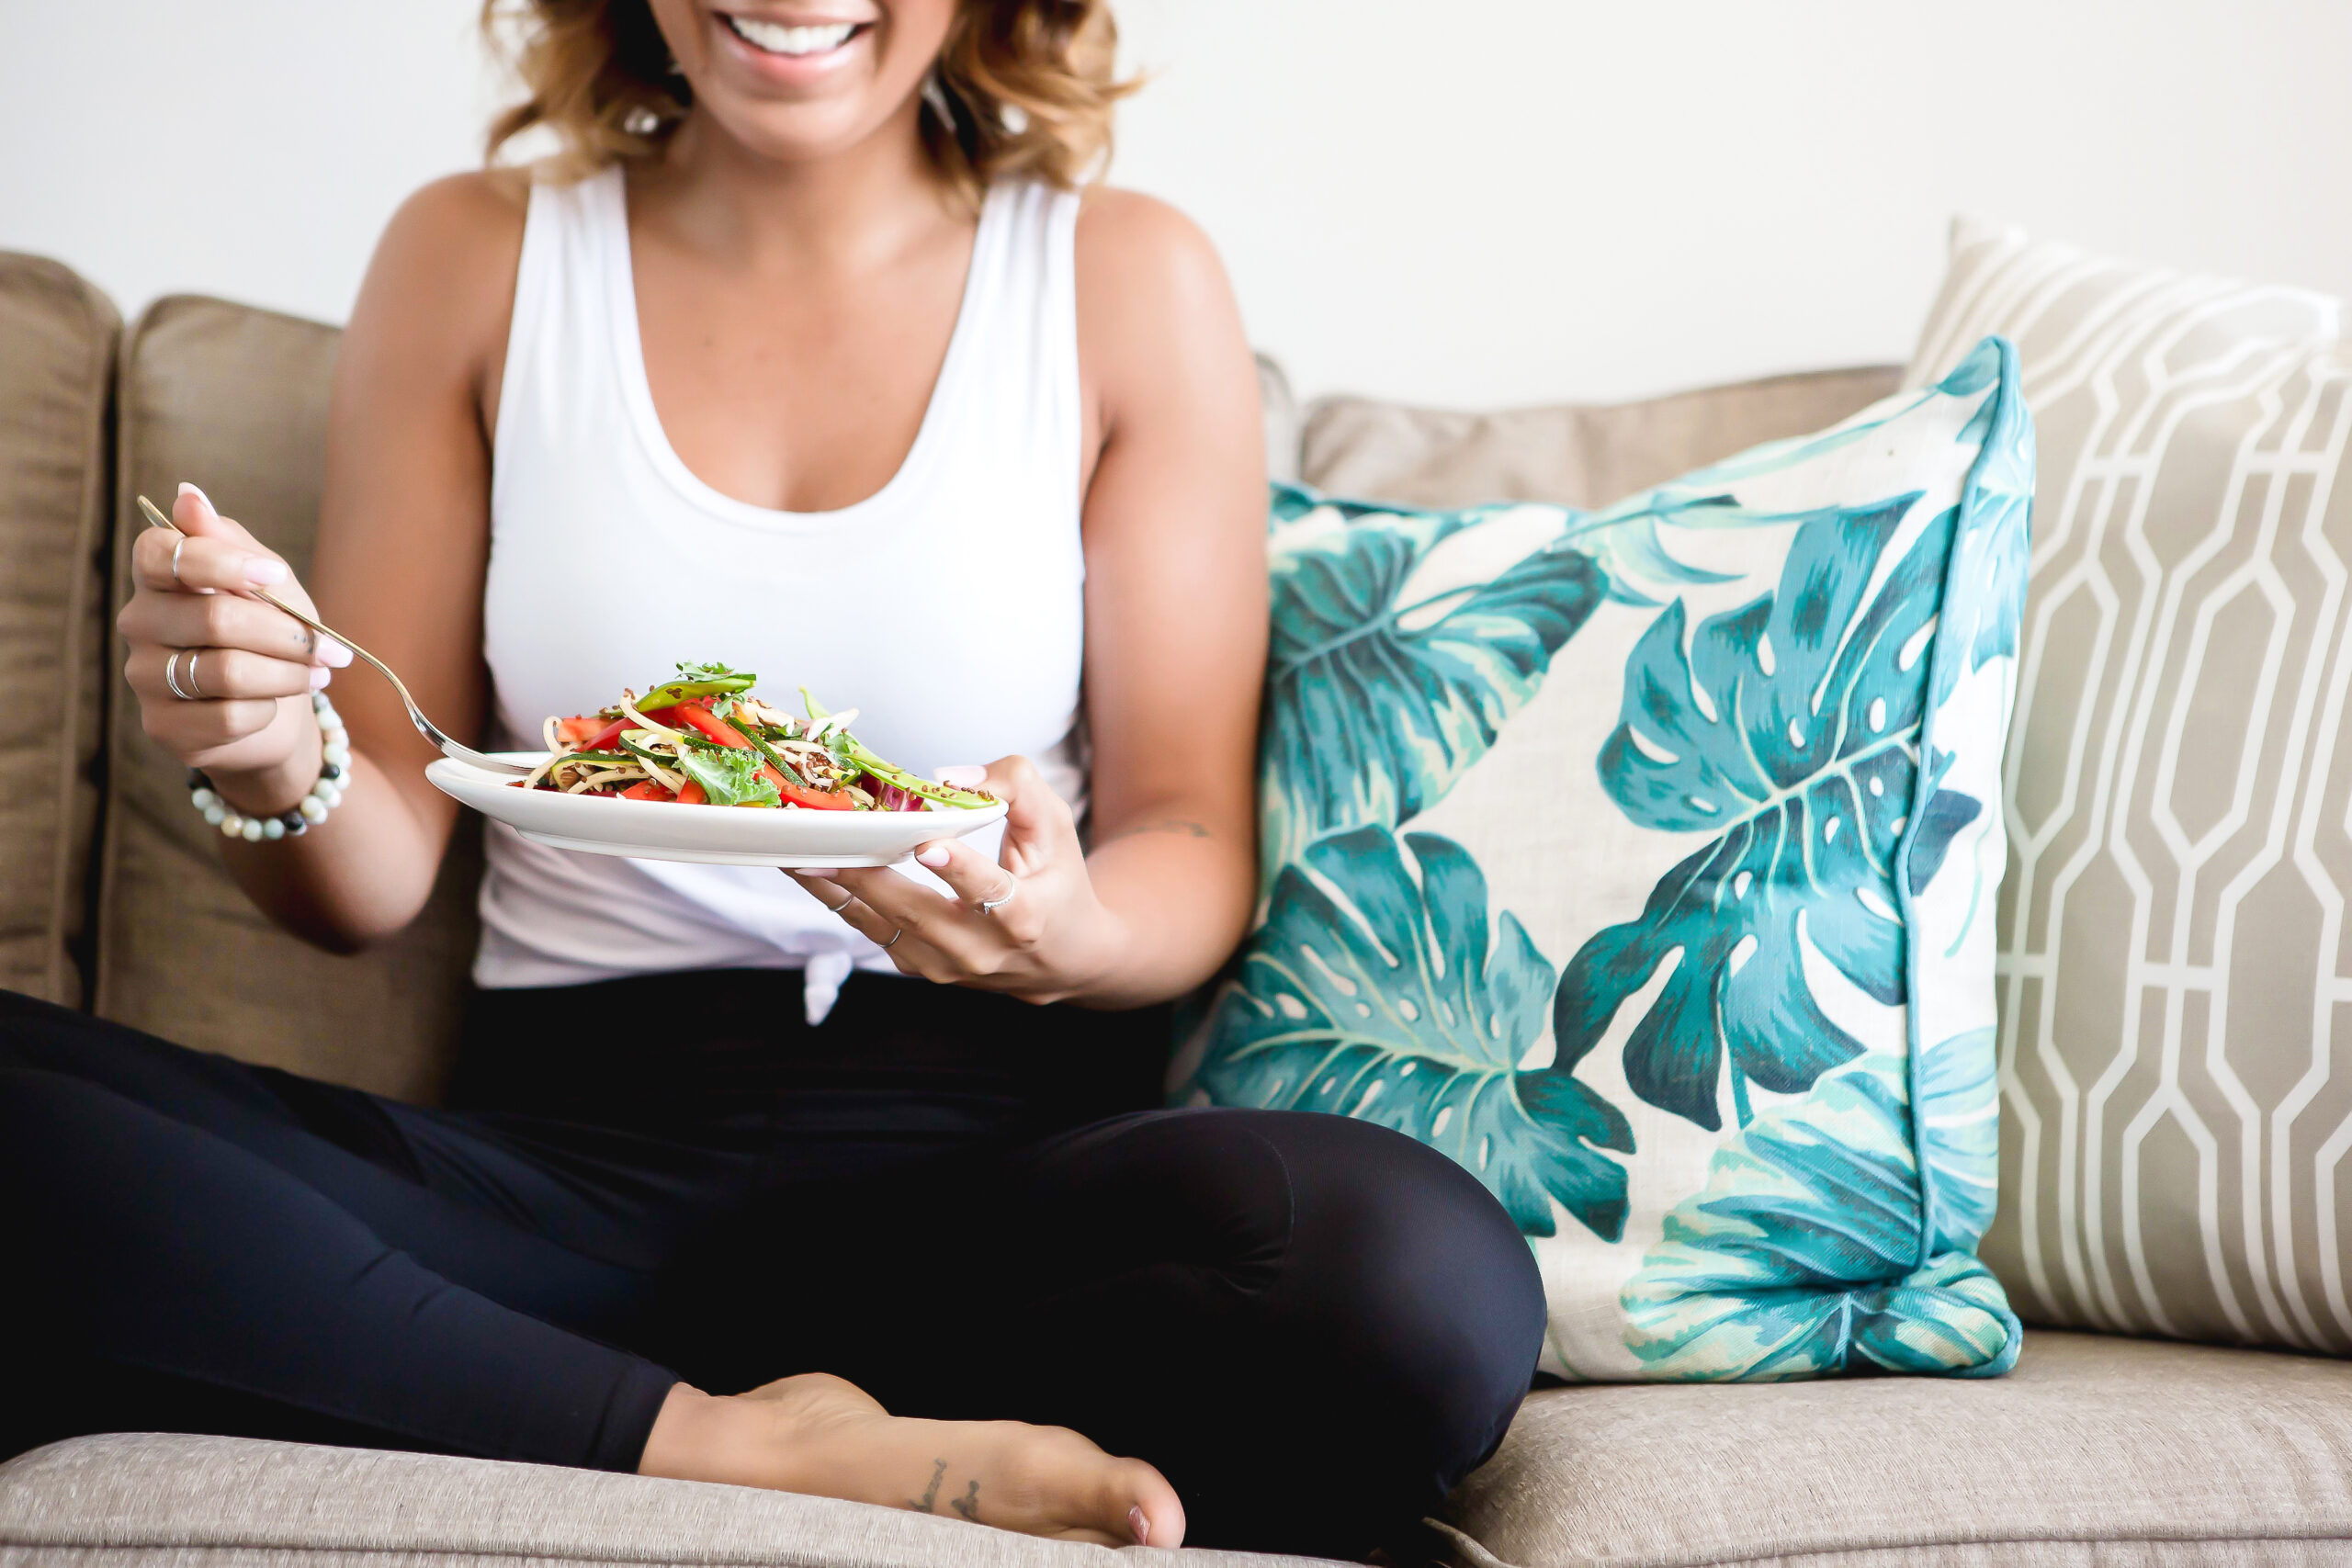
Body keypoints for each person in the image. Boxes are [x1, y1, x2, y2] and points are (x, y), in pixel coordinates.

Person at [0, 1, 1544, 1555]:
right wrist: (275, 755)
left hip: (997, 1201)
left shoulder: (1125, 277)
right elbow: (377, 864)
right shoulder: (474, 255)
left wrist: (1073, 935)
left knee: (1421, 1280)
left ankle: (527, 1404)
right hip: (551, 1195)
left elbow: (1189, 830)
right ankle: (728, 1444)